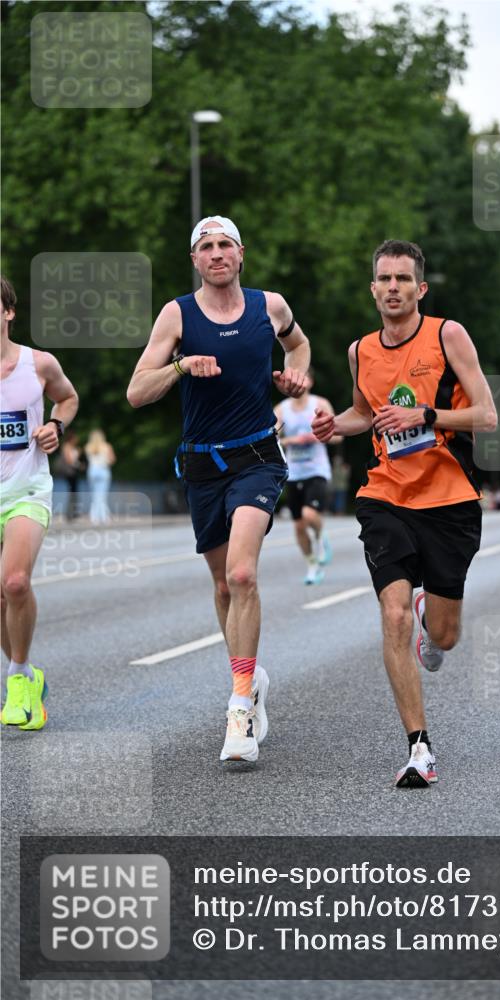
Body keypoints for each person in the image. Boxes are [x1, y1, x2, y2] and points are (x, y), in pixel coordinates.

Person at [312, 239, 496, 789]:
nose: (393, 287)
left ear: (421, 288)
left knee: (445, 635)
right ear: (373, 289)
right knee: (391, 614)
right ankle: (419, 748)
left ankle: (429, 623)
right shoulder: (360, 350)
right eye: (384, 279)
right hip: (386, 494)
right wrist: (334, 426)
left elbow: (486, 416)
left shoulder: (448, 335)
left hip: (449, 500)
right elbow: (366, 413)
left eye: (403, 279)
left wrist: (429, 414)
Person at [127, 216, 310, 764]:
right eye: (205, 246)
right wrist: (180, 365)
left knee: (242, 571)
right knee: (223, 584)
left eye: (225, 244)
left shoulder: (269, 306)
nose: (216, 253)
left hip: (257, 456)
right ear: (195, 260)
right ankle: (251, 681)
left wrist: (296, 374)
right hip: (202, 464)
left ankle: (238, 707)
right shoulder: (177, 314)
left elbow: (298, 348)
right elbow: (137, 391)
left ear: (241, 253)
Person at [0, 275, 79, 731]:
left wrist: (55, 426)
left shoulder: (39, 363)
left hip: (27, 490)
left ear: (8, 313)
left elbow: (67, 398)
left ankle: (16, 678)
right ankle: (29, 673)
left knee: (13, 583)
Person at [274, 367, 340, 584]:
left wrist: (319, 436)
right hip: (293, 472)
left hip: (317, 469)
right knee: (299, 525)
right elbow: (271, 440)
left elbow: (338, 436)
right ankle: (311, 564)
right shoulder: (281, 410)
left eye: (302, 380)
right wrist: (292, 441)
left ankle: (321, 538)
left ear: (309, 382)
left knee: (310, 515)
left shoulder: (320, 404)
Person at [85, 428, 116, 524]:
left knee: (95, 495)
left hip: (92, 471)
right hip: (103, 471)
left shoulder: (88, 447)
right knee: (102, 495)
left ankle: (94, 517)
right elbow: (112, 460)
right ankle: (104, 517)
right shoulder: (107, 446)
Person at [56, 429, 85, 521]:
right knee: (72, 492)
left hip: (73, 472)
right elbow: (70, 461)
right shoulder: (67, 447)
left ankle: (73, 512)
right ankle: (70, 513)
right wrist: (80, 465)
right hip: (70, 473)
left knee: (74, 492)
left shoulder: (73, 447)